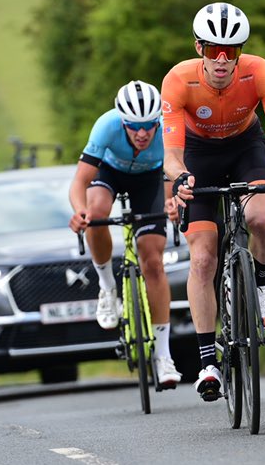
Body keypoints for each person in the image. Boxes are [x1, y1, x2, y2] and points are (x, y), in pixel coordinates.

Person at [162, 1, 265, 401]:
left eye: (231, 51)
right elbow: (171, 154)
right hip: (198, 158)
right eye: (213, 50)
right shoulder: (178, 80)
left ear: (241, 52)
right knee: (203, 258)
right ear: (199, 49)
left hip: (246, 148)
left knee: (260, 219)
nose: (222, 60)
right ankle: (208, 361)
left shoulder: (260, 71)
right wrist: (180, 177)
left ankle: (261, 282)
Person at [68, 80, 182, 389]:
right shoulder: (106, 126)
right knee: (96, 214)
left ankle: (163, 355)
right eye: (134, 126)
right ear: (122, 121)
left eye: (148, 126)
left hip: (152, 178)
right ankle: (107, 288)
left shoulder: (168, 128)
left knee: (153, 261)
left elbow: (177, 175)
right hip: (110, 173)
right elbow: (79, 183)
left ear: (157, 120)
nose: (142, 133)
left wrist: (174, 203)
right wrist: (79, 212)